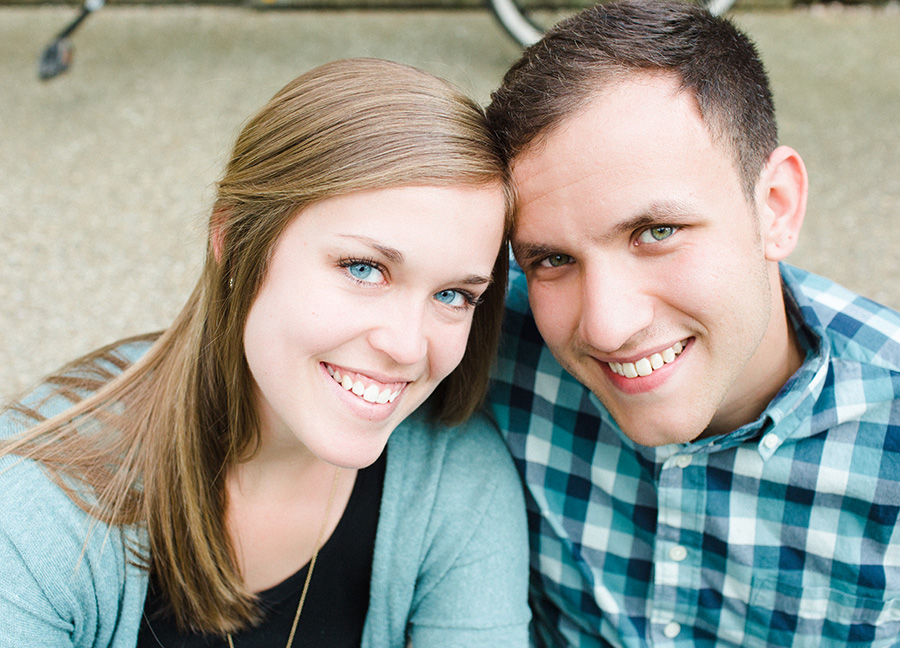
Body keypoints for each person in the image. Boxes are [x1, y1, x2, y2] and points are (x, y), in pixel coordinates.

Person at [0, 57, 530, 648]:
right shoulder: (34, 511)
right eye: (364, 269)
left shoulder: (455, 481)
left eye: (454, 295)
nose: (408, 346)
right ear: (233, 242)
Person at [485, 1, 900, 646]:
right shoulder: (488, 350)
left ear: (776, 208)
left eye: (656, 232)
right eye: (553, 259)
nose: (606, 327)